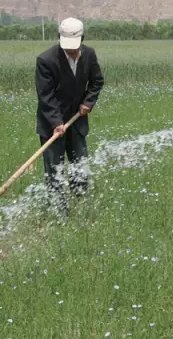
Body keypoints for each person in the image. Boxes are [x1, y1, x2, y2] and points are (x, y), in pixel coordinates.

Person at [35, 17, 105, 215]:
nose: (71, 51)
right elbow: (45, 97)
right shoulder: (46, 60)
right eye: (68, 47)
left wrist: (88, 102)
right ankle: (60, 213)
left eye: (75, 47)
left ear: (82, 38)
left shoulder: (89, 55)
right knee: (54, 170)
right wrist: (56, 123)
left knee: (79, 166)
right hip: (51, 124)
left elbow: (97, 82)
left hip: (77, 122)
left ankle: (81, 206)